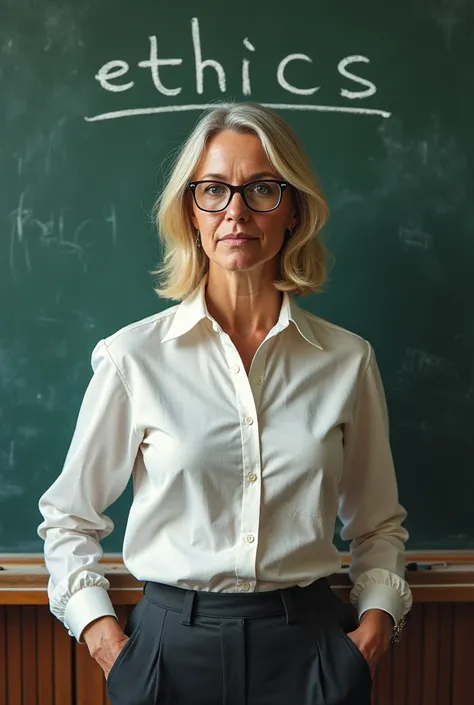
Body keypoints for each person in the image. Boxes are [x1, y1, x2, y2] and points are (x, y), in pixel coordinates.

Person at [37, 101, 412, 705]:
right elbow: (69, 519)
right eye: (213, 189)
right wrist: (107, 643)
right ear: (190, 210)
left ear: (293, 209)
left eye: (262, 188)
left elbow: (377, 524)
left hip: (312, 650)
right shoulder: (131, 358)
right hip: (166, 654)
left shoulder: (346, 361)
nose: (236, 211)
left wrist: (372, 633)